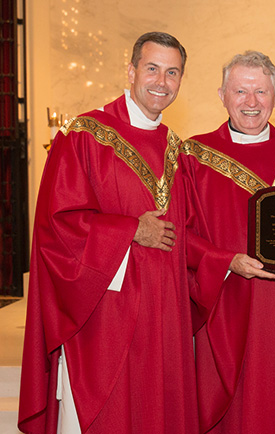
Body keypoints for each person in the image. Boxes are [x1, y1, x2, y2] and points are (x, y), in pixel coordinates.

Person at [18, 32, 236, 434]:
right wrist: (131, 229)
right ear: (131, 70)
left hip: (164, 314)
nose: (161, 82)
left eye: (173, 73)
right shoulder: (85, 135)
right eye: (152, 69)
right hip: (106, 317)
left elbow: (185, 234)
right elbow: (57, 225)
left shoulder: (174, 147)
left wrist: (226, 260)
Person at [181, 51, 275, 433]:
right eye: (241, 91)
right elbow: (179, 234)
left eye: (261, 91)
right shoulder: (193, 157)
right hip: (226, 302)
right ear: (222, 95)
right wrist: (225, 259)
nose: (251, 102)